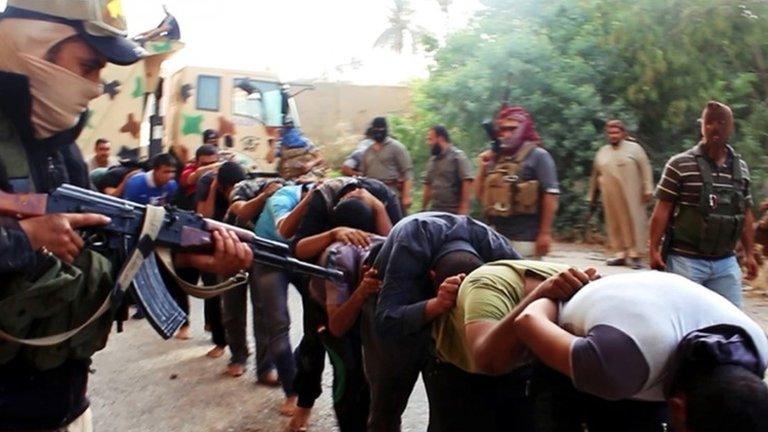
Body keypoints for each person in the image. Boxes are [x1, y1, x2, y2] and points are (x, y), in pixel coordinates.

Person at [0, 2, 252, 430]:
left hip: (64, 406)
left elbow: (93, 268)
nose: (96, 86)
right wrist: (26, 238)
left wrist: (186, 259)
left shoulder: (63, 155)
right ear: (33, 45)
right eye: (88, 65)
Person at [514, 271, 768, 432]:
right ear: (676, 408)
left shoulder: (756, 352)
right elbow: (527, 322)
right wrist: (552, 294)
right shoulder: (613, 366)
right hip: (577, 346)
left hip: (644, 328)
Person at [372, 212, 520, 431]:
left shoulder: (496, 248)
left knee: (455, 394)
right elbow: (386, 321)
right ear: (432, 277)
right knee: (390, 395)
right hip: (391, 292)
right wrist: (436, 305)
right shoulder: (410, 247)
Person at [289, 177, 402, 431]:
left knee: (373, 373)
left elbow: (397, 243)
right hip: (326, 296)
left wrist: (379, 208)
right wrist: (332, 234)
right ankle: (304, 404)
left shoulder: (386, 199)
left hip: (371, 302)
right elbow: (297, 247)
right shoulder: (324, 199)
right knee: (334, 358)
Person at [429, 261, 594, 431]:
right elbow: (488, 360)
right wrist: (539, 295)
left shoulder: (602, 299)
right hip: (457, 361)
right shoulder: (486, 289)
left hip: (520, 358)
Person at [650, 101, 759, 307]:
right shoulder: (680, 164)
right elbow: (662, 209)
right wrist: (654, 249)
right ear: (702, 126)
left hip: (726, 262)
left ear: (731, 127)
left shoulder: (741, 169)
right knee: (684, 322)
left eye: (721, 122)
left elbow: (745, 213)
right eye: (709, 123)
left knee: (732, 326)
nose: (715, 127)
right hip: (686, 260)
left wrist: (750, 254)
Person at [221, 177, 285, 382]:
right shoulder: (244, 187)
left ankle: (266, 367)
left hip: (264, 253)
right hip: (231, 248)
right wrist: (265, 196)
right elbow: (242, 211)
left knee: (263, 310)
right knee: (232, 306)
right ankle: (238, 356)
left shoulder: (289, 195)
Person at [476, 106, 559, 258]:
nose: (506, 134)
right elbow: (480, 196)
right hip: (497, 236)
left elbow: (551, 195)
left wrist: (545, 233)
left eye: (512, 129)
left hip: (526, 238)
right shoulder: (497, 159)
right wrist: (483, 168)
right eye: (503, 129)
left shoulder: (539, 156)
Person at [195, 161, 246, 358]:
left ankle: (239, 350)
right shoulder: (207, 184)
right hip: (211, 243)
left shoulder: (244, 189)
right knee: (215, 294)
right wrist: (214, 187)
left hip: (238, 245)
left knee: (235, 303)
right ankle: (220, 342)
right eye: (230, 188)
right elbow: (203, 215)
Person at [587, 120, 653, 269]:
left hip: (632, 193)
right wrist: (591, 196)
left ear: (623, 133)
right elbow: (595, 175)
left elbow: (645, 168)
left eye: (616, 132)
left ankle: (636, 255)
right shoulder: (603, 151)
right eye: (610, 133)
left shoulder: (635, 148)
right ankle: (620, 253)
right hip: (610, 194)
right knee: (614, 222)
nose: (613, 135)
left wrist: (648, 187)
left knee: (635, 220)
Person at [359, 117, 414, 210]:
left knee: (395, 221)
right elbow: (363, 175)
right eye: (375, 129)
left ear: (386, 130)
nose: (378, 132)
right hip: (372, 194)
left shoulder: (396, 147)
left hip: (391, 192)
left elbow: (407, 172)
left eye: (381, 129)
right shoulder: (367, 151)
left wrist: (406, 196)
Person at [421, 124, 474, 215]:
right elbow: (428, 185)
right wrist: (423, 209)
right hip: (435, 211)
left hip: (453, 212)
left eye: (430, 139)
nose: (428, 143)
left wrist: (463, 210)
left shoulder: (458, 157)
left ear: (440, 139)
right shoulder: (432, 161)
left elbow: (467, 182)